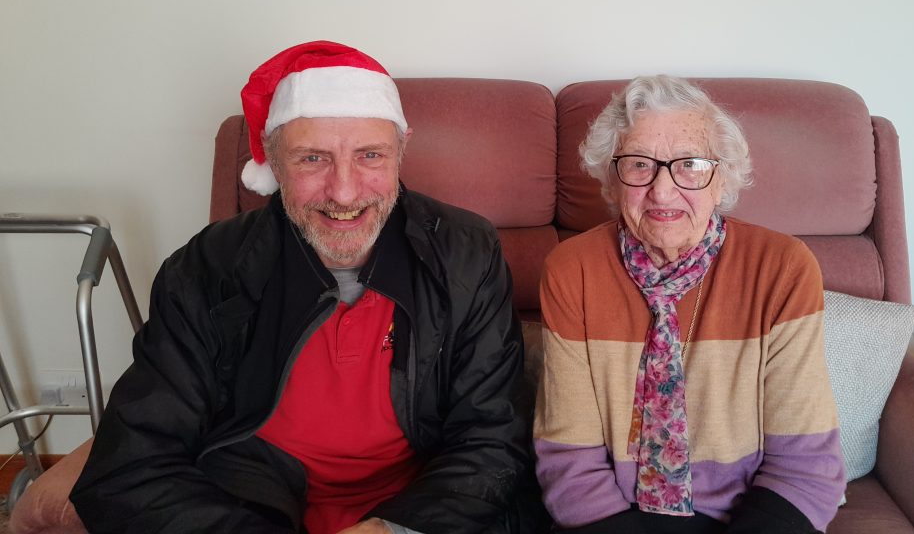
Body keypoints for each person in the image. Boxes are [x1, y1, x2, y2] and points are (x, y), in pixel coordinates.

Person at [69, 41, 532, 534]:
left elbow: (492, 437)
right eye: (312, 159)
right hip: (248, 502)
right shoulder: (206, 268)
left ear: (402, 151)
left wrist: (390, 529)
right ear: (272, 163)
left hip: (424, 503)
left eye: (370, 155)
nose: (345, 192)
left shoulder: (468, 252)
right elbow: (130, 466)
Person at [533, 76, 845, 534]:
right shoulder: (572, 269)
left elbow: (804, 467)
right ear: (612, 181)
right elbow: (570, 464)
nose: (662, 190)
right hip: (614, 520)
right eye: (639, 164)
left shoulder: (782, 267)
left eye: (691, 165)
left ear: (722, 179)